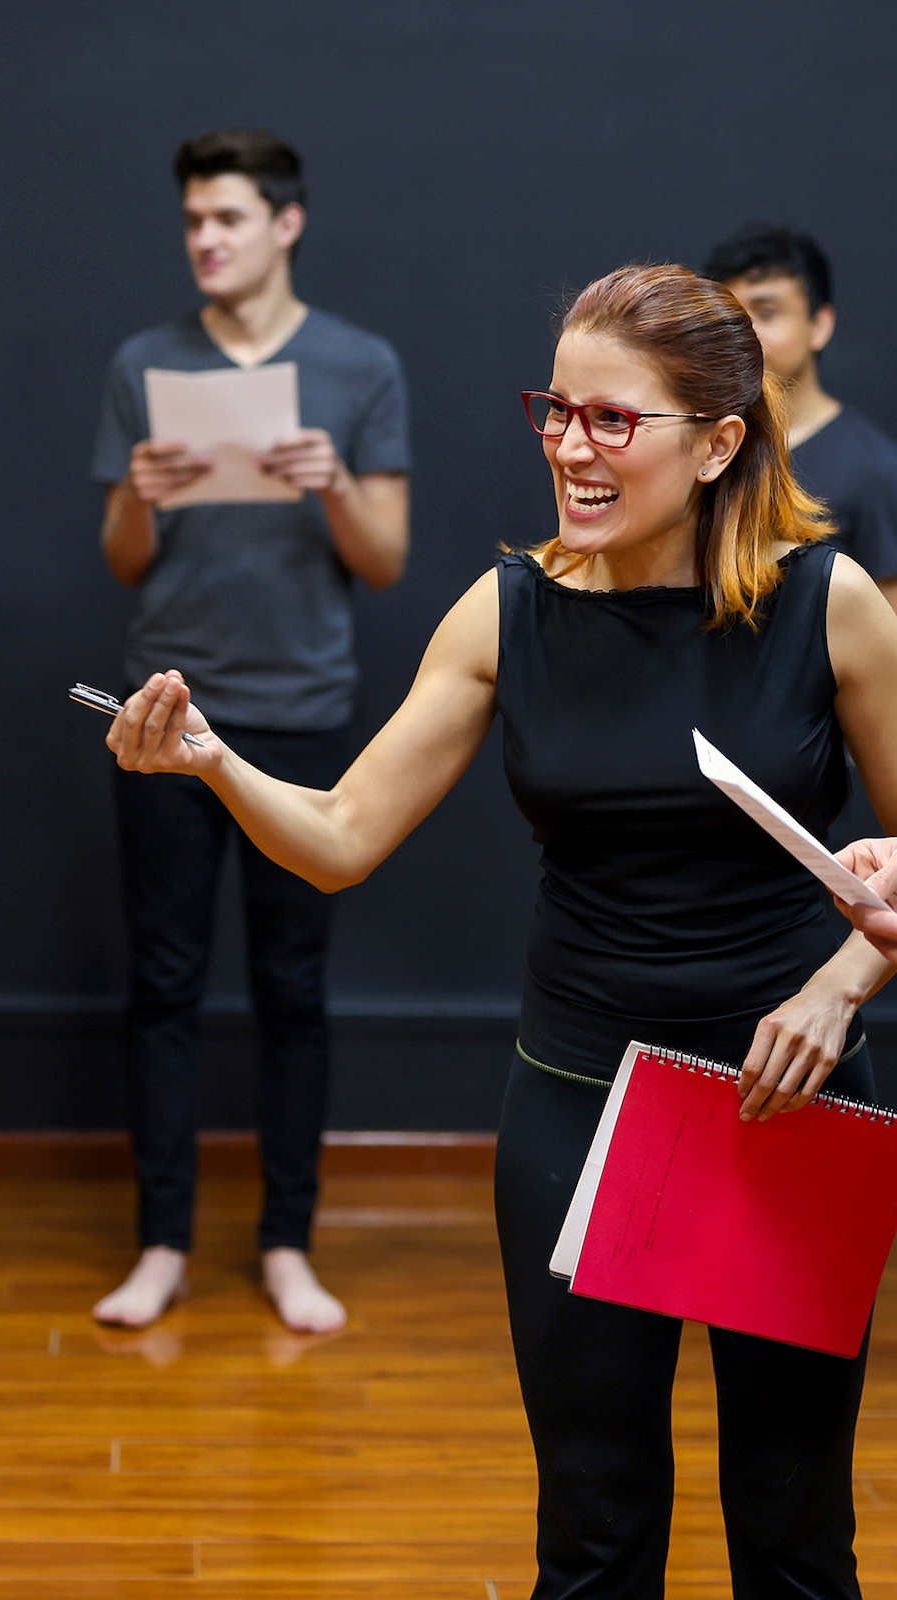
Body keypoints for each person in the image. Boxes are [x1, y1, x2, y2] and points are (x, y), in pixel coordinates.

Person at [106, 263, 897, 1595]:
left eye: (611, 420)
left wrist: (837, 989)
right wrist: (213, 764)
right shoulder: (508, 606)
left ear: (717, 444)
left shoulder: (832, 603)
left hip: (790, 1103)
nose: (570, 448)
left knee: (794, 1530)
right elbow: (342, 837)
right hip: (583, 1102)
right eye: (556, 411)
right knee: (593, 1526)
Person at [90, 129, 410, 1333]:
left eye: (226, 218)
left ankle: (286, 1243)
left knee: (292, 988)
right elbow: (123, 559)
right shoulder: (143, 361)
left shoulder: (360, 364)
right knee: (162, 984)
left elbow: (386, 560)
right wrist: (139, 494)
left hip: (302, 716)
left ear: (286, 224)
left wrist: (332, 481)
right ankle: (161, 1242)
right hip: (164, 715)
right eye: (192, 221)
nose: (205, 239)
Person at [704, 224, 897, 607]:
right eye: (731, 317)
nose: (745, 333)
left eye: (767, 313)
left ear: (819, 325)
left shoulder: (874, 471)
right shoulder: (702, 446)